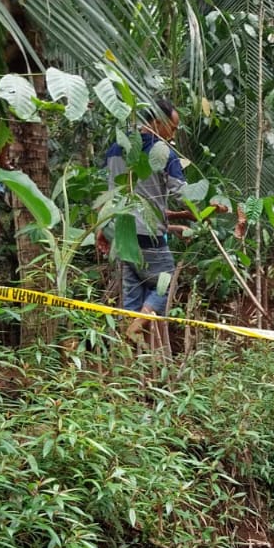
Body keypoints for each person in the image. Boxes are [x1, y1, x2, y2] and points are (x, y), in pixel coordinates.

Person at [102, 97, 190, 355]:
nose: (172, 135)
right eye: (172, 128)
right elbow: (182, 194)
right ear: (159, 122)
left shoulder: (116, 149)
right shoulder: (162, 153)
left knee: (131, 298)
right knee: (166, 281)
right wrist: (206, 209)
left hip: (123, 234)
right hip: (149, 238)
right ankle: (137, 326)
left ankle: (129, 361)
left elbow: (119, 193)